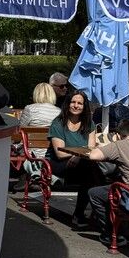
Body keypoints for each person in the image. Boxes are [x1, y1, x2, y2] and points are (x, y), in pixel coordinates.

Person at [47, 88, 101, 227]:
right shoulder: (58, 123)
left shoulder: (89, 124)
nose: (76, 106)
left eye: (80, 103)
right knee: (93, 172)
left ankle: (90, 213)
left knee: (93, 170)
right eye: (73, 102)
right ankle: (84, 214)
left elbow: (91, 149)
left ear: (84, 107)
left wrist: (79, 156)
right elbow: (60, 153)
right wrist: (79, 154)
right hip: (58, 163)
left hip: (81, 163)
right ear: (67, 103)